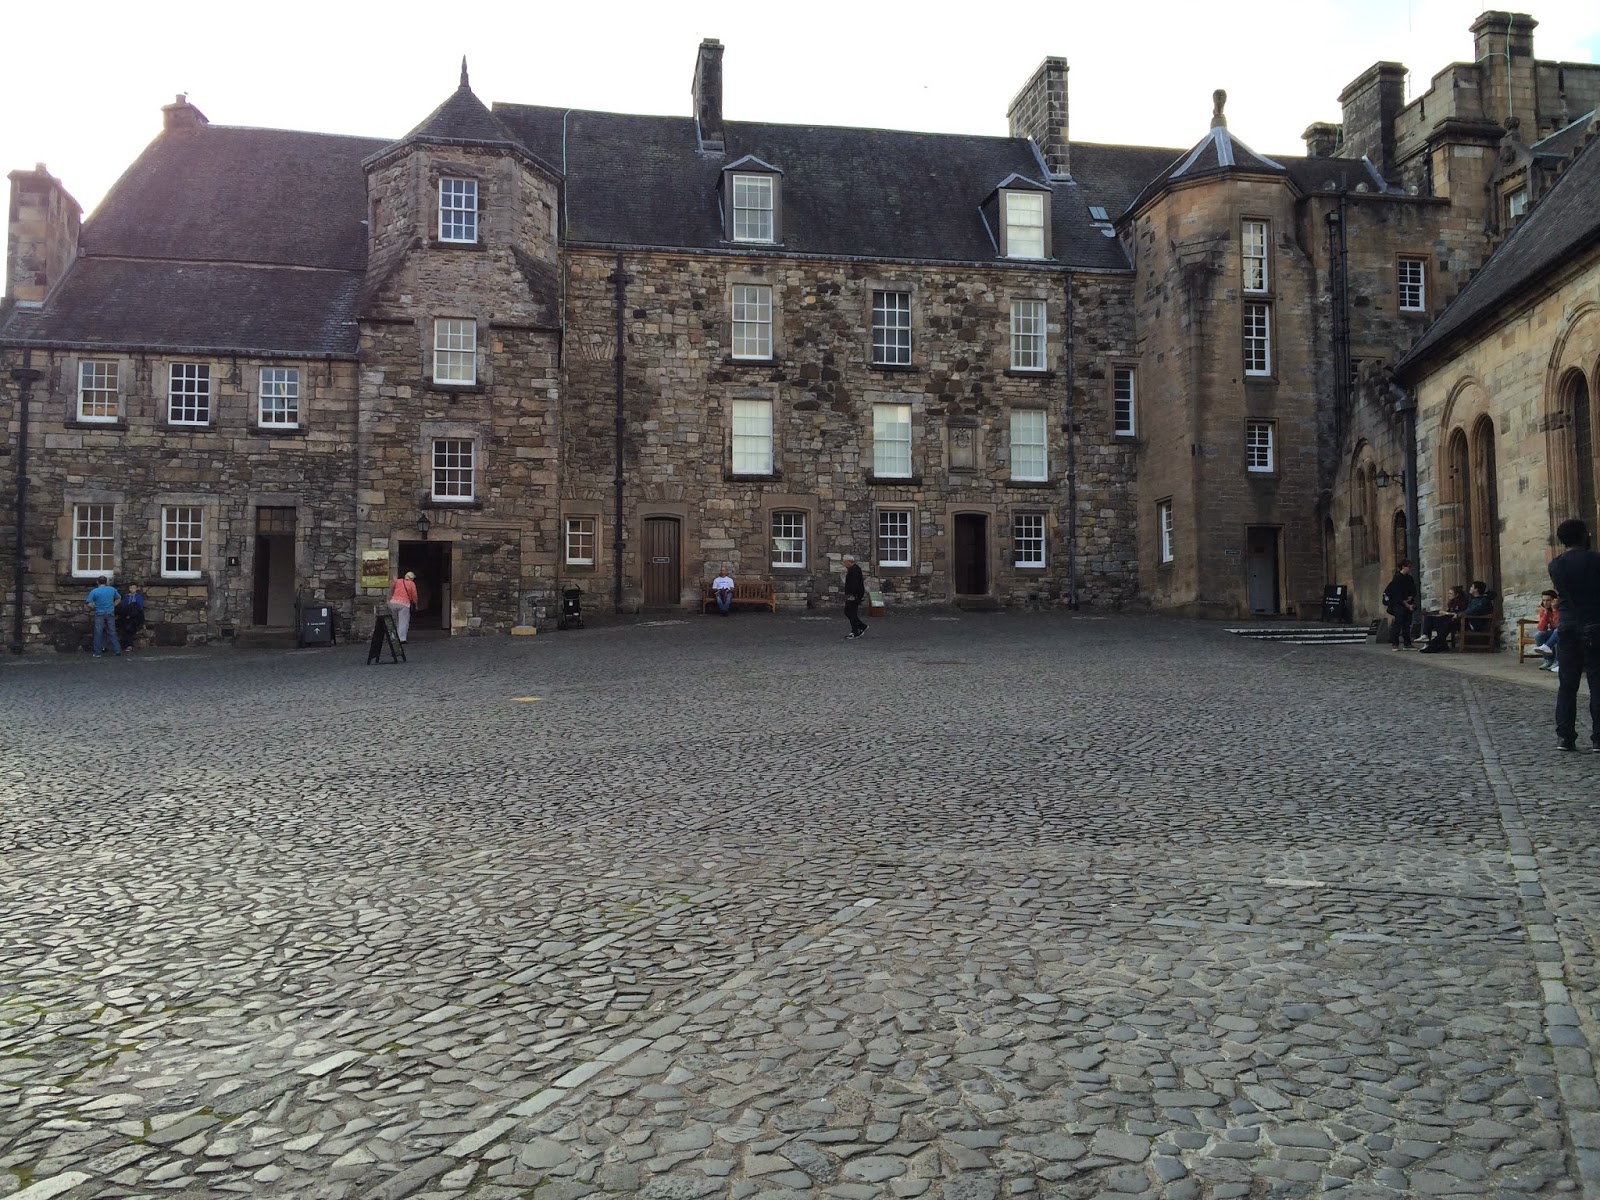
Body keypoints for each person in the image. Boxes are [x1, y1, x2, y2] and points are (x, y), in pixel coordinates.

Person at [1548, 518, 1600, 752]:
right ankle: (1598, 738)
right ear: (1583, 535)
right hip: (1594, 624)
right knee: (1597, 683)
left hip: (1567, 626)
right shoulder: (1595, 560)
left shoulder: (1555, 565)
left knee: (1567, 685)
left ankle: (1565, 736)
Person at [1382, 559, 1417, 650]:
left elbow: (1413, 589)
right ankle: (1395, 643)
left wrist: (1411, 597)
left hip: (1408, 602)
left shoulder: (1409, 578)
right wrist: (1406, 604)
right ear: (1403, 566)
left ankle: (1407, 643)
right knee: (1398, 623)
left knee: (1407, 624)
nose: (1410, 568)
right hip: (1398, 604)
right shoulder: (1397, 578)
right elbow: (1397, 594)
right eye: (1409, 567)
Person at [85, 576, 123, 657]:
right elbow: (119, 598)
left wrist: (94, 606)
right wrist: (113, 605)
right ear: (106, 582)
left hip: (99, 613)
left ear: (97, 582)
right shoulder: (112, 589)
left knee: (98, 632)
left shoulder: (94, 591)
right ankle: (117, 650)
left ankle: (97, 652)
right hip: (110, 612)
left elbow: (90, 604)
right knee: (112, 631)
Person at [1420, 585, 1468, 649]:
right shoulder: (1452, 603)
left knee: (1443, 624)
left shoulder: (1462, 603)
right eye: (1448, 593)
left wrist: (1446, 613)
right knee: (1429, 618)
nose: (1448, 595)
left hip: (1456, 621)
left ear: (1456, 595)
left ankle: (1436, 644)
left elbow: (1459, 613)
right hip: (1448, 619)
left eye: (1450, 593)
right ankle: (1426, 637)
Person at [1532, 589, 1560, 672]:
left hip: (1562, 632)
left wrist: (1554, 610)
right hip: (1553, 632)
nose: (1545, 603)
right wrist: (1546, 614)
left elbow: (1559, 625)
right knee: (1538, 635)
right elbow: (1541, 628)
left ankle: (1557, 662)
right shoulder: (1544, 610)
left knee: (1558, 632)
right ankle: (1548, 660)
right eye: (1543, 600)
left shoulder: (1560, 609)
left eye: (1548, 600)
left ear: (1554, 600)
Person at [388, 571, 419, 644]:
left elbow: (392, 588)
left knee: (395, 621)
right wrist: (415, 604)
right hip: (404, 604)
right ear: (411, 578)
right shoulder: (412, 584)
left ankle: (393, 637)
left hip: (393, 602)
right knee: (403, 621)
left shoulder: (398, 581)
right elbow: (414, 595)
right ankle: (402, 638)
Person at [842, 555, 867, 639]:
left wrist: (853, 595)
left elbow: (855, 584)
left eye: (844, 562)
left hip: (855, 595)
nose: (844, 564)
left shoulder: (855, 570)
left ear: (849, 561)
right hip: (853, 594)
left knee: (850, 612)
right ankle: (859, 627)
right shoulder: (852, 569)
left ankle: (857, 630)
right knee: (849, 612)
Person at [116, 581, 146, 652]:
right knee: (125, 630)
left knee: (130, 630)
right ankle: (125, 644)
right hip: (126, 616)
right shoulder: (126, 597)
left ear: (136, 589)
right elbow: (123, 606)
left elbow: (140, 607)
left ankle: (129, 645)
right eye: (131, 588)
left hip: (135, 617)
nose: (132, 589)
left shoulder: (138, 597)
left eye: (134, 588)